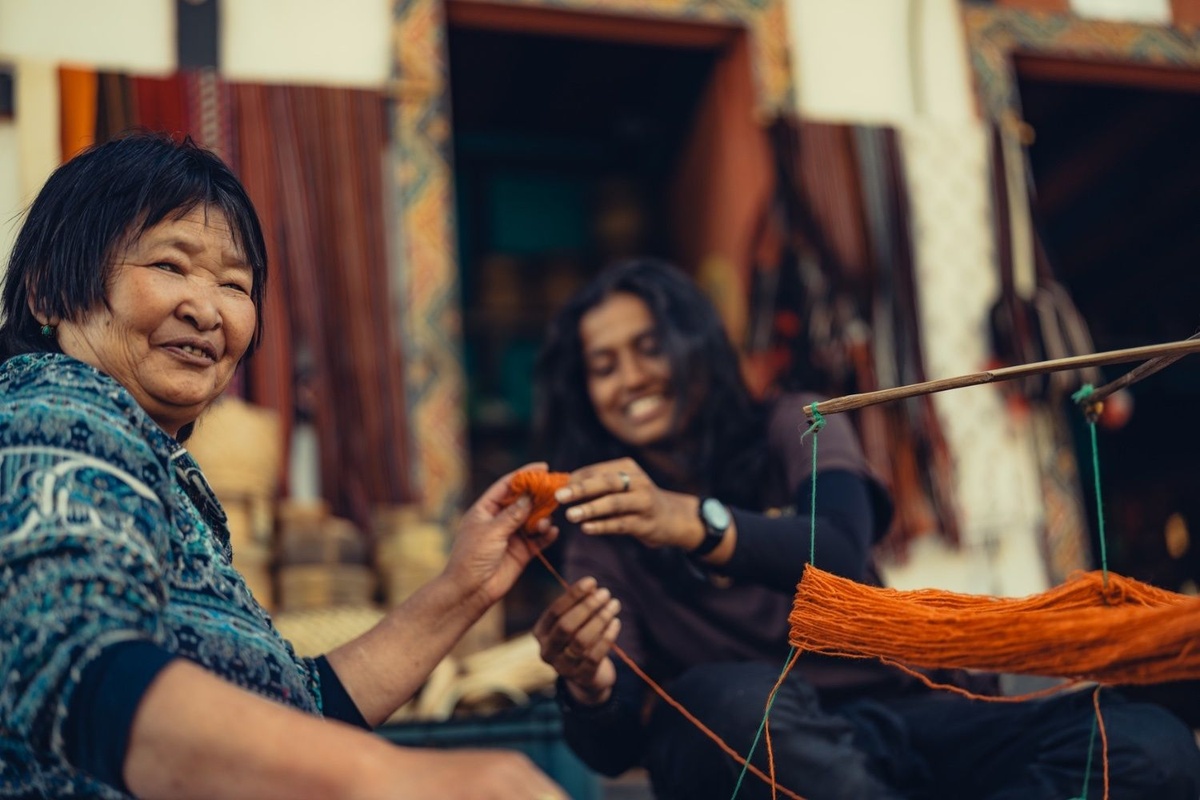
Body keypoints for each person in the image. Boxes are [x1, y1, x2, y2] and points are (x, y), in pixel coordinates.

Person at [0, 133, 568, 800]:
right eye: (169, 265)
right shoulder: (61, 407)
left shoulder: (145, 457)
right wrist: (392, 776)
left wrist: (465, 587)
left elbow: (297, 711)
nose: (208, 309)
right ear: (47, 293)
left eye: (234, 284)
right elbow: (63, 658)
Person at [530, 258, 1200, 799]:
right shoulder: (598, 530)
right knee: (717, 704)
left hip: (916, 714)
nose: (631, 379)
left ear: (695, 347)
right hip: (780, 751)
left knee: (1148, 746)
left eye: (649, 348)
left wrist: (691, 521)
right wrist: (587, 683)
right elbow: (612, 751)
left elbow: (841, 551)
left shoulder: (792, 424)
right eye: (604, 366)